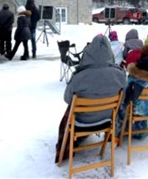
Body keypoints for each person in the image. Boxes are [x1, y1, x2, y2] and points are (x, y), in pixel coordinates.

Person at [54, 34, 126, 162]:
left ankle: (66, 145)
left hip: (81, 122)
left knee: (69, 111)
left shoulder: (80, 75)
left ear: (89, 53)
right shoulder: (120, 74)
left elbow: (67, 98)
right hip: (107, 120)